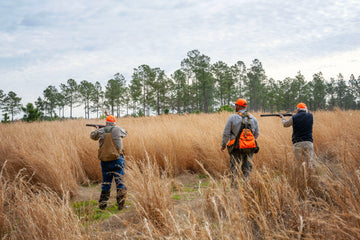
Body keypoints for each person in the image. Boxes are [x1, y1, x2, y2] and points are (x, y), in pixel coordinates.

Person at [90, 115, 128, 210]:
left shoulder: (101, 131)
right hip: (118, 160)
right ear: (114, 123)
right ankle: (121, 206)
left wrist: (98, 129)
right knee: (120, 182)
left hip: (105, 162)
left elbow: (92, 136)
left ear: (106, 123)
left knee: (106, 183)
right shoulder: (118, 129)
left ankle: (102, 206)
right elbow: (125, 133)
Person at [221, 98, 260, 187]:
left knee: (234, 167)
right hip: (250, 147)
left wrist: (223, 145)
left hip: (236, 147)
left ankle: (235, 187)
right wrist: (249, 141)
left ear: (239, 106)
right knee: (247, 167)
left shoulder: (232, 117)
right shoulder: (253, 118)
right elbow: (257, 133)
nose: (235, 107)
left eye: (236, 105)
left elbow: (226, 133)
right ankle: (247, 186)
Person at [280, 103, 314, 170]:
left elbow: (285, 124)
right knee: (309, 163)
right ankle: (309, 177)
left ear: (298, 109)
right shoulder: (311, 116)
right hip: (309, 142)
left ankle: (299, 178)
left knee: (298, 163)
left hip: (297, 143)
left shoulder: (294, 117)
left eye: (296, 109)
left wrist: (283, 118)